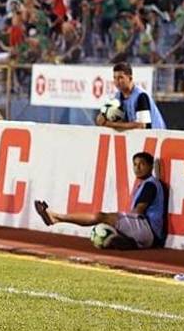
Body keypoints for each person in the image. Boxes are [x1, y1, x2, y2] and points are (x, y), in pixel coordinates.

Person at [34, 152, 167, 250]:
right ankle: (131, 242)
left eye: (142, 164)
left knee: (101, 217)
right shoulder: (144, 185)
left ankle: (57, 217)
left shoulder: (150, 184)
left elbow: (138, 211)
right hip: (149, 234)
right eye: (135, 164)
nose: (137, 168)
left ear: (150, 167)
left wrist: (117, 220)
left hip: (149, 230)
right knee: (109, 229)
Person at [98, 62, 166, 131]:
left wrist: (110, 124)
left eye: (120, 77)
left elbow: (142, 125)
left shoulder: (141, 96)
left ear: (130, 78)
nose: (117, 81)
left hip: (157, 136)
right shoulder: (118, 97)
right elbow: (100, 119)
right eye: (115, 78)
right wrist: (104, 115)